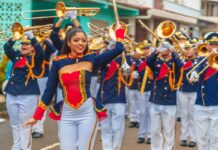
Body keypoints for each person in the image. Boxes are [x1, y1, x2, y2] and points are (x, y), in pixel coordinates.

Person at [24, 27, 126, 150]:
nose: (80, 43)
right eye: (76, 40)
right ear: (68, 42)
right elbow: (49, 91)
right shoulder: (58, 62)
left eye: (83, 40)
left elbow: (119, 49)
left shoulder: (92, 58)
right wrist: (36, 116)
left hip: (87, 114)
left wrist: (119, 32)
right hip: (67, 114)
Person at [3, 30, 43, 150]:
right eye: (22, 44)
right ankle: (16, 147)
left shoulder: (35, 58)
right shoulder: (16, 55)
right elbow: (6, 47)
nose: (24, 46)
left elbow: (41, 53)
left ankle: (25, 148)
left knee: (25, 124)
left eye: (27, 44)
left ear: (32, 48)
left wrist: (33, 38)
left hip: (28, 94)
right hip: (12, 93)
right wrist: (16, 36)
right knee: (14, 124)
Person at [146, 39, 184, 150]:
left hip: (169, 101)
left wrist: (173, 51)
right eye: (161, 46)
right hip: (155, 100)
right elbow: (148, 62)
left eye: (165, 47)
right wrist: (156, 51)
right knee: (155, 131)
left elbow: (180, 65)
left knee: (169, 131)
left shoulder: (173, 61)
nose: (163, 49)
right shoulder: (156, 61)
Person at [191, 32, 218, 150]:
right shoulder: (202, 59)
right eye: (211, 44)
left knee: (215, 137)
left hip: (216, 104)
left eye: (216, 44)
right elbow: (195, 70)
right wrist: (194, 74)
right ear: (207, 46)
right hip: (201, 102)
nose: (214, 47)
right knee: (201, 137)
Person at [32, 36, 56, 138]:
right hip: (30, 77)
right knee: (31, 103)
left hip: (43, 77)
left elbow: (53, 50)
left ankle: (38, 128)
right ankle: (31, 126)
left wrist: (46, 38)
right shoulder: (31, 44)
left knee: (41, 103)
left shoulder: (46, 46)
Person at [178, 41, 198, 147]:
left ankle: (193, 138)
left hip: (194, 91)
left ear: (194, 50)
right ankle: (184, 137)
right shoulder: (181, 61)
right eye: (186, 48)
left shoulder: (198, 61)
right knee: (184, 115)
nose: (188, 50)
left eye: (190, 48)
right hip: (183, 90)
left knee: (192, 116)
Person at [136, 40, 153, 144]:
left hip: (151, 88)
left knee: (151, 113)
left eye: (147, 48)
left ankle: (150, 135)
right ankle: (141, 134)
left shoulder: (154, 59)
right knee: (142, 112)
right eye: (144, 48)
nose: (145, 50)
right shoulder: (139, 61)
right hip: (142, 89)